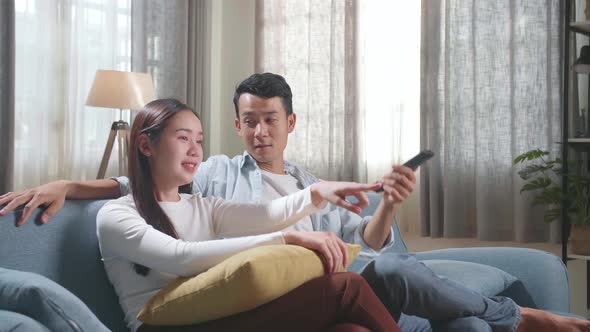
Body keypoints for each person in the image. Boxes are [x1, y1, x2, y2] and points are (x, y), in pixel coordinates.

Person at [2, 73, 590, 332]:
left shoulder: (207, 200)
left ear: (290, 124)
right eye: (247, 122)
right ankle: (531, 323)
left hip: (317, 283)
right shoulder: (202, 182)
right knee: (362, 282)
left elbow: (293, 222)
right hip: (225, 309)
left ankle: (510, 325)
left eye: (270, 121)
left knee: (419, 301)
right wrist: (65, 185)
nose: (258, 133)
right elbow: (159, 224)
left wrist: (335, 197)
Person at [98, 98, 399, 332]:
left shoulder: (202, 205)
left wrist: (318, 193)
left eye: (199, 140)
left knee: (351, 329)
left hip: (214, 319)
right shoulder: (116, 215)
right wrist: (286, 238)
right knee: (346, 287)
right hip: (164, 329)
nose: (195, 150)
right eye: (183, 138)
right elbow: (181, 257)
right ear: (145, 145)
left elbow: (268, 212)